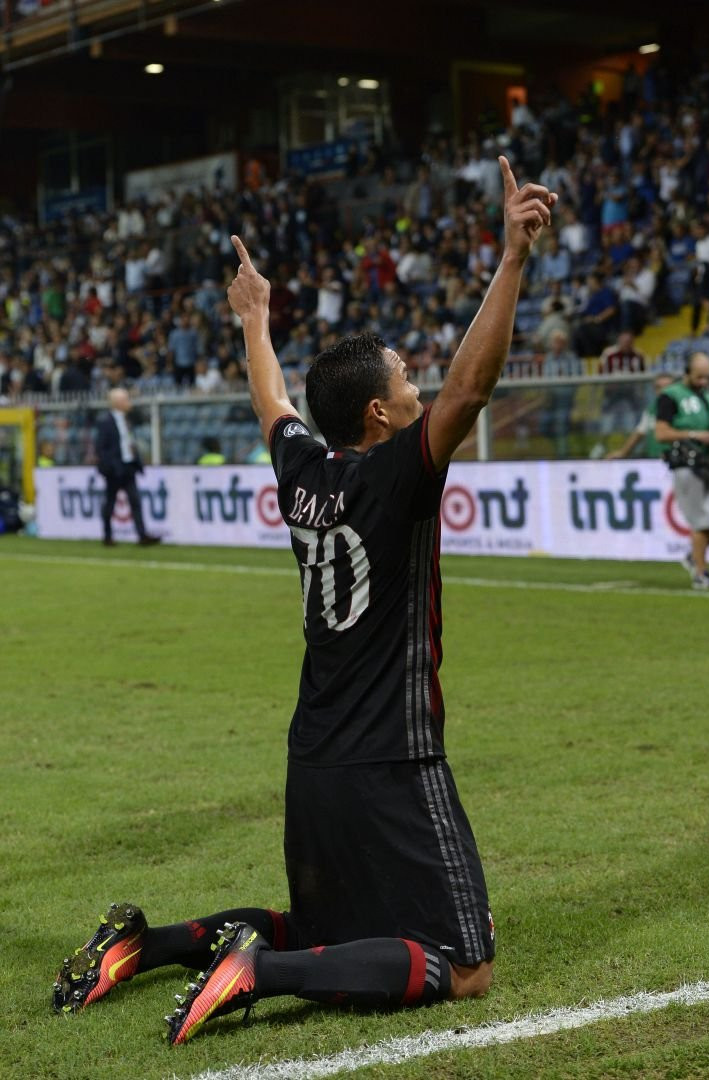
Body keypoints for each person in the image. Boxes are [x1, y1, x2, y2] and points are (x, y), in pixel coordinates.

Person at [53, 158, 557, 1044]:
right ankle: (260, 973)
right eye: (404, 379)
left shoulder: (303, 474)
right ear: (378, 416)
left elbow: (272, 401)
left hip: (312, 760)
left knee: (331, 932)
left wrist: (254, 318)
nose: (417, 385)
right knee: (465, 963)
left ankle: (145, 943)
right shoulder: (398, 476)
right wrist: (512, 259)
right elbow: (472, 389)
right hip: (391, 758)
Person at [655, 352, 709, 589]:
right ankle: (701, 574)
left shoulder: (707, 397)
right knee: (702, 521)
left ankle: (694, 557)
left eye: (707, 376)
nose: (704, 381)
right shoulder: (670, 396)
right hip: (686, 464)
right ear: (686, 373)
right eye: (699, 376)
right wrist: (693, 434)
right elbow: (661, 433)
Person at [95, 388, 161, 547]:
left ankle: (142, 535)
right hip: (114, 469)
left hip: (129, 467)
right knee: (110, 503)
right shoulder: (105, 422)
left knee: (135, 501)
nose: (129, 403)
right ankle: (107, 536)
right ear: (117, 403)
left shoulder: (128, 420)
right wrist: (109, 465)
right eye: (126, 399)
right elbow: (101, 447)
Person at [605, 373, 674, 459]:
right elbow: (639, 433)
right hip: (654, 461)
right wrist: (623, 453)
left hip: (675, 460)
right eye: (658, 387)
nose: (663, 390)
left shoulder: (682, 408)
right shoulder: (651, 410)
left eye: (668, 386)